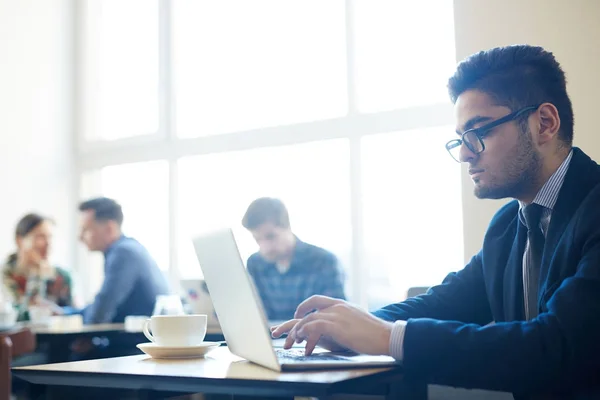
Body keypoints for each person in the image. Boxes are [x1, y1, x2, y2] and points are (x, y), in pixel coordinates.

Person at [272, 44, 600, 399]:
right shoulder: (508, 225)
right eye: (460, 139)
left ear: (545, 124)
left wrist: (383, 336)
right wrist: (342, 324)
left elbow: (557, 345)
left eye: (479, 132)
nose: (464, 153)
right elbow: (445, 302)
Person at [242, 197, 345, 320]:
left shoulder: (323, 261)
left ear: (288, 227)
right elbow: (256, 315)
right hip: (272, 337)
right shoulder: (255, 264)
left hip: (313, 338)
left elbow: (337, 317)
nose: (265, 247)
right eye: (257, 239)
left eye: (271, 237)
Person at [78, 197, 169, 323]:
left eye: (86, 230)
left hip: (140, 338)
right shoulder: (126, 248)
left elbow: (101, 310)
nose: (80, 237)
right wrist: (67, 312)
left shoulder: (123, 253)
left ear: (109, 228)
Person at [2, 213, 73, 321]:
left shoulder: (62, 276)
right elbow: (14, 315)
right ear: (19, 240)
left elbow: (73, 316)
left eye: (50, 237)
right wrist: (36, 277)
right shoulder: (4, 275)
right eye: (41, 237)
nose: (48, 243)